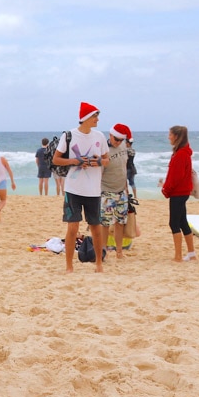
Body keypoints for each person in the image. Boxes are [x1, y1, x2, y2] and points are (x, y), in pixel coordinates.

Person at [52, 102, 110, 273]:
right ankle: (69, 266)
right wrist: (74, 161)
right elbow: (56, 159)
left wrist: (96, 161)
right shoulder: (69, 136)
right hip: (73, 189)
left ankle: (99, 263)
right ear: (86, 118)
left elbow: (107, 160)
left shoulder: (99, 136)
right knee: (72, 228)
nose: (97, 119)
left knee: (96, 228)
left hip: (93, 190)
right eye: (95, 116)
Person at [161, 125, 195, 262]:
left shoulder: (181, 154)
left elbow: (176, 176)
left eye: (170, 134)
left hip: (178, 193)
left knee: (173, 223)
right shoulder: (182, 152)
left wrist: (166, 189)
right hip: (182, 191)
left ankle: (178, 256)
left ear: (176, 136)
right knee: (182, 221)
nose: (168, 137)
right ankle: (191, 254)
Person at [102, 124, 132, 259]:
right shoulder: (104, 150)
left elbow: (124, 167)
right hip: (106, 192)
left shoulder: (123, 146)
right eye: (116, 139)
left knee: (120, 222)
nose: (118, 142)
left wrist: (126, 187)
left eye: (121, 139)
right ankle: (103, 251)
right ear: (110, 135)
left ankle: (119, 251)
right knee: (105, 224)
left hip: (122, 192)